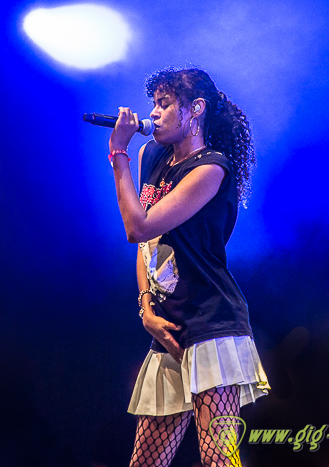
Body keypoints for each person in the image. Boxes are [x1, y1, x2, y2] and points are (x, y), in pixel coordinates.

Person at [107, 67, 270, 467]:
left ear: (195, 109)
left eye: (164, 104)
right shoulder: (153, 155)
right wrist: (146, 308)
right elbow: (147, 244)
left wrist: (118, 154)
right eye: (153, 104)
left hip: (212, 322)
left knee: (219, 458)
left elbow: (138, 226)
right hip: (169, 326)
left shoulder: (210, 169)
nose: (153, 113)